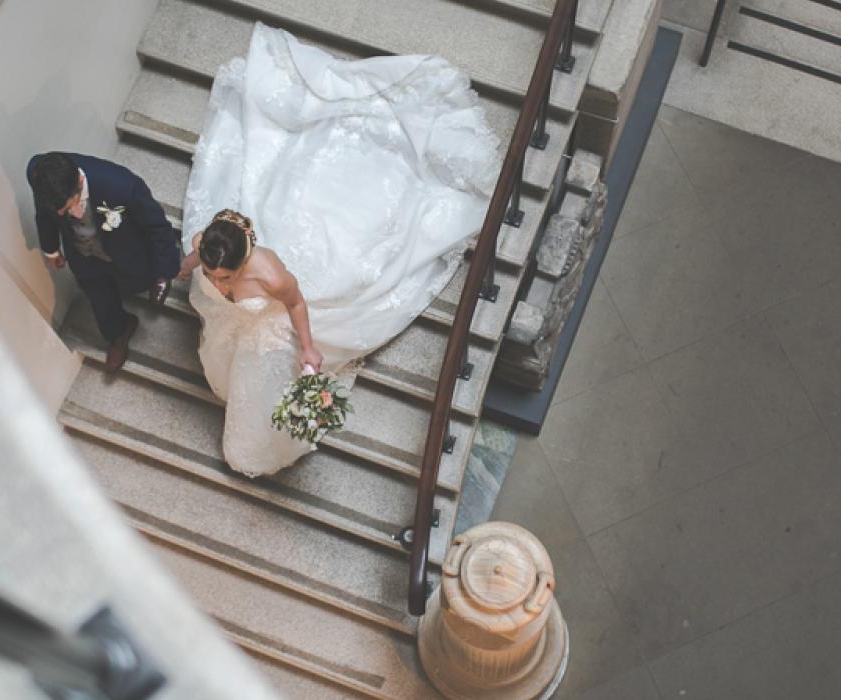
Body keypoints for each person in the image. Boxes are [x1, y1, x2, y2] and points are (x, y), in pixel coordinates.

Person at [179, 24, 499, 477]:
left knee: (262, 379)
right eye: (213, 275)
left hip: (271, 330)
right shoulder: (207, 244)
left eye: (223, 277)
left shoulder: (271, 274)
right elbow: (193, 260)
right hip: (242, 324)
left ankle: (257, 445)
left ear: (244, 260)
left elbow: (295, 303)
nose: (216, 282)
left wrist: (308, 348)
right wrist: (182, 269)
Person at [27, 151, 182, 370]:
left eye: (73, 204)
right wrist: (51, 249)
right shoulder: (39, 174)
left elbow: (158, 228)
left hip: (127, 249)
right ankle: (118, 334)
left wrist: (165, 272)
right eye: (64, 211)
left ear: (80, 181)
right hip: (83, 255)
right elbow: (43, 215)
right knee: (99, 297)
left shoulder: (122, 185)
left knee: (137, 278)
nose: (75, 213)